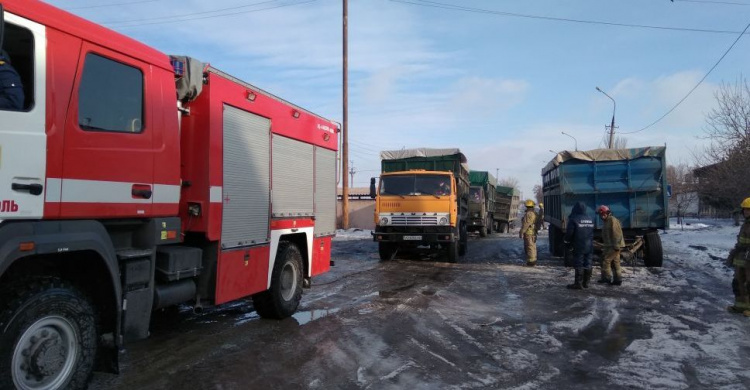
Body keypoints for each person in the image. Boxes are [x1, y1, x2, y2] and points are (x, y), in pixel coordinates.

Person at [563, 202, 595, 289]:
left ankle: (578, 283)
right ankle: (586, 283)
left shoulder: (574, 219)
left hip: (578, 245)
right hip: (589, 245)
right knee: (588, 263)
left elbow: (569, 233)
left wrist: (567, 241)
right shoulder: (591, 219)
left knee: (579, 264)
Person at [727, 197, 750, 316]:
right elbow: (740, 242)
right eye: (745, 210)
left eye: (749, 210)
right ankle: (740, 306)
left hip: (748, 260)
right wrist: (733, 255)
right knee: (738, 282)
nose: (746, 212)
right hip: (741, 258)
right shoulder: (745, 224)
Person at [596, 205, 625, 285]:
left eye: (603, 214)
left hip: (614, 246)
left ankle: (607, 278)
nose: (602, 216)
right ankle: (618, 280)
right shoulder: (607, 221)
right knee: (615, 262)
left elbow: (617, 234)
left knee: (606, 261)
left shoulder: (612, 220)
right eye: (601, 215)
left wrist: (616, 246)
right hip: (610, 246)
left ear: (607, 213)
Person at [519, 199, 537, 266]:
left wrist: (521, 232)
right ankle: (533, 260)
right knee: (532, 247)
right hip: (533, 232)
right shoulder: (533, 213)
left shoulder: (528, 214)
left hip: (529, 233)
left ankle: (531, 262)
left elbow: (526, 224)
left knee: (529, 247)